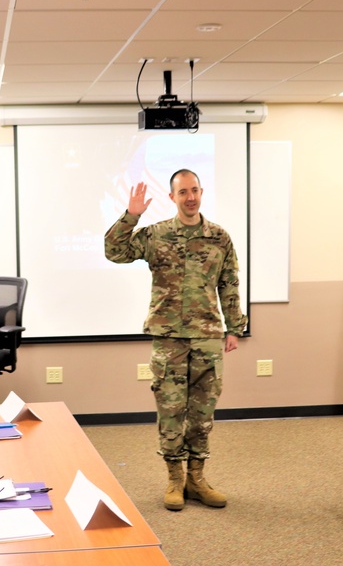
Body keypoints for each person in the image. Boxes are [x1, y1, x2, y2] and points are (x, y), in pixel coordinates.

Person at [104, 170, 247, 512]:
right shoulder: (156, 235)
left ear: (202, 192)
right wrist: (132, 215)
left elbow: (229, 283)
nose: (190, 197)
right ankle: (174, 479)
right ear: (172, 197)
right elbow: (114, 250)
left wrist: (234, 327)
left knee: (202, 415)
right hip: (169, 339)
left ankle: (197, 479)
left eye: (194, 190)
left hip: (207, 336)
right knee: (170, 412)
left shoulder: (219, 237)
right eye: (183, 192)